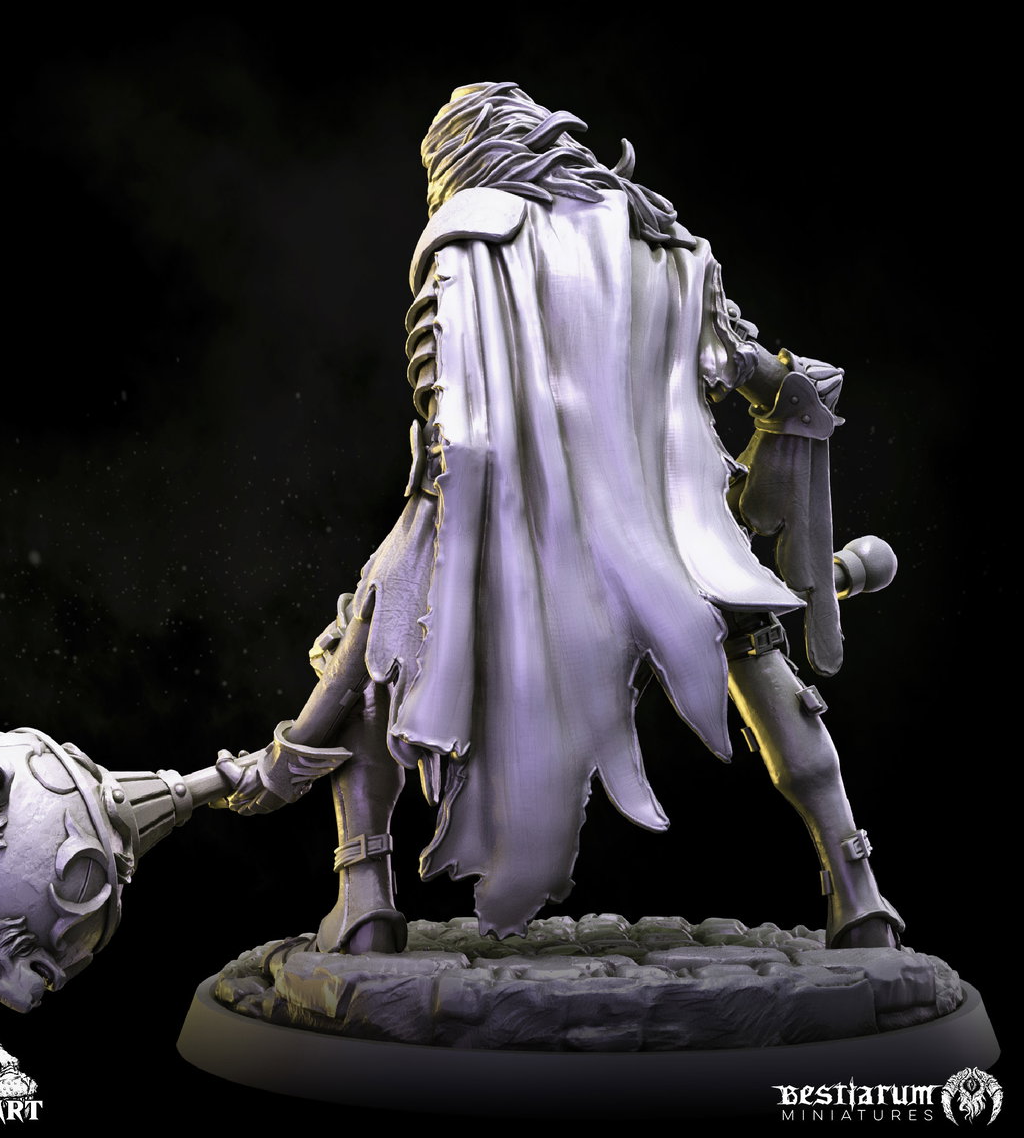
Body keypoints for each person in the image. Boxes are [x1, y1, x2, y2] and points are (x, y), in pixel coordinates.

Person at [215, 82, 901, 953]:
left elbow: (456, 440)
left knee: (377, 640)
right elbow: (771, 380)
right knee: (754, 645)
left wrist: (393, 619)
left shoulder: (462, 239)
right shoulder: (660, 237)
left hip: (530, 548)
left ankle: (364, 900)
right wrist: (782, 432)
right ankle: (857, 889)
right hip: (682, 549)